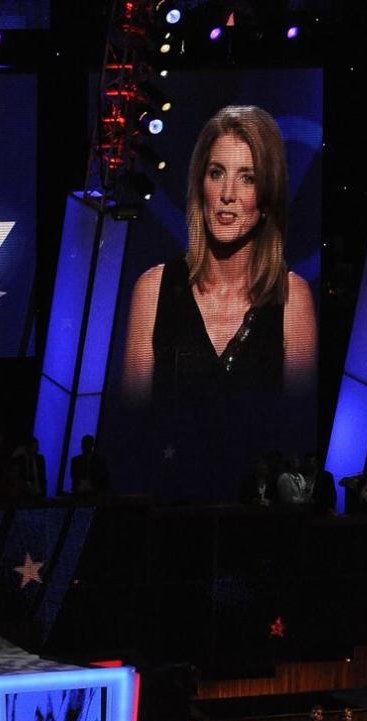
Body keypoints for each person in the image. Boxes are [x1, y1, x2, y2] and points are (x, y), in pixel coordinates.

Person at [122, 105, 317, 500]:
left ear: (267, 196)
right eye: (217, 174)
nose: (227, 195)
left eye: (247, 178)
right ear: (201, 187)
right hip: (167, 510)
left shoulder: (293, 299)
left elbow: (298, 433)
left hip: (257, 522)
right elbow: (132, 428)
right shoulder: (153, 289)